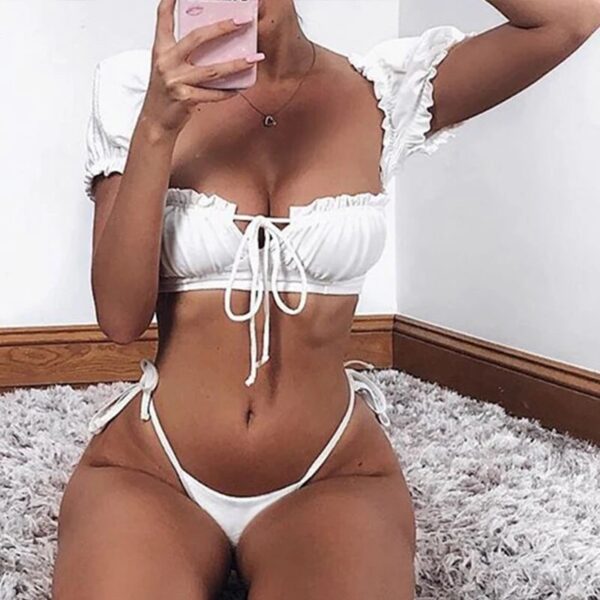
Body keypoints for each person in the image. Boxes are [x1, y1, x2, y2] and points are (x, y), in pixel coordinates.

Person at [52, 0, 600, 598]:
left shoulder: (383, 90)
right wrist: (157, 128)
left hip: (331, 473)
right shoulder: (137, 89)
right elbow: (120, 318)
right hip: (153, 470)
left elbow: (569, 19)